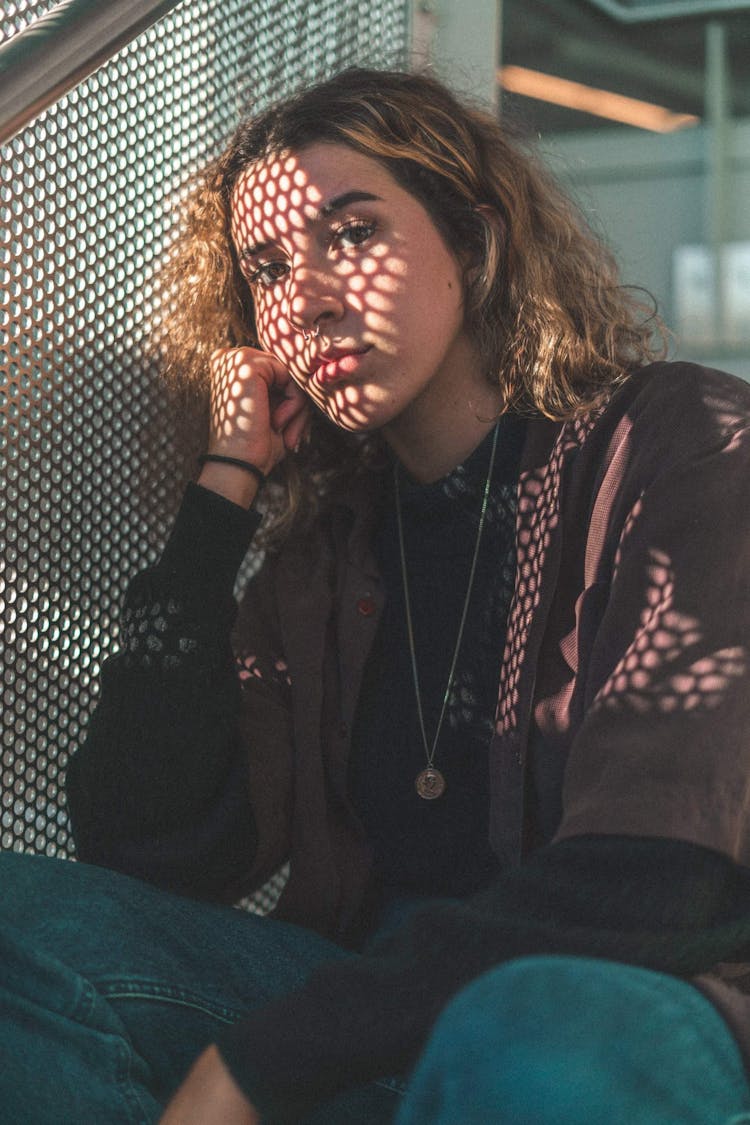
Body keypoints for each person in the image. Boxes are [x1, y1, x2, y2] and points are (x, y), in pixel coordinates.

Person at [3, 66, 750, 1125]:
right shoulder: (327, 554)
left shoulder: (683, 443)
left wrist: (261, 1062)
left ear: (477, 247)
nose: (305, 295)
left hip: (623, 1012)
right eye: (266, 265)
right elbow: (146, 848)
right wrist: (225, 493)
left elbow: (660, 880)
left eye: (351, 235)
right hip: (361, 1018)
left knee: (530, 1032)